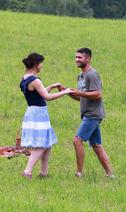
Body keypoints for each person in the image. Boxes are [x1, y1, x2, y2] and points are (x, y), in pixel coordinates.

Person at [20, 52, 72, 180]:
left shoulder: (25, 78)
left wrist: (51, 86)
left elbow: (38, 93)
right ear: (36, 64)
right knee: (42, 144)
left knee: (47, 143)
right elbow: (47, 97)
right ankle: (27, 171)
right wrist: (65, 92)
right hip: (38, 114)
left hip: (33, 112)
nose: (42, 66)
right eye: (41, 63)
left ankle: (44, 173)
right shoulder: (35, 80)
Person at [68, 47, 115, 179]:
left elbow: (98, 94)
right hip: (87, 114)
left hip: (93, 115)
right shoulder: (80, 76)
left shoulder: (92, 74)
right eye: (76, 57)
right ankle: (110, 174)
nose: (77, 60)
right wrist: (68, 93)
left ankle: (79, 173)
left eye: (80, 57)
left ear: (88, 59)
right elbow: (81, 97)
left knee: (77, 140)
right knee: (96, 145)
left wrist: (79, 93)